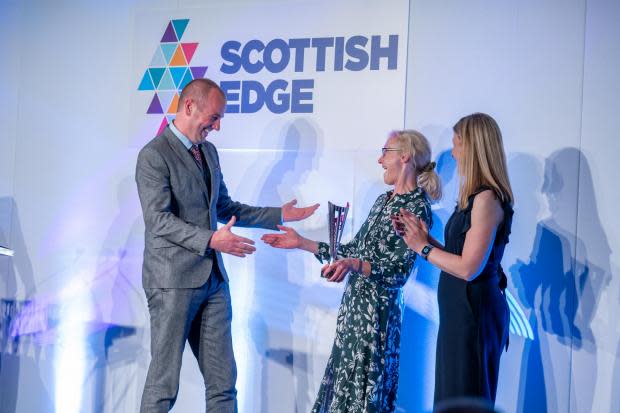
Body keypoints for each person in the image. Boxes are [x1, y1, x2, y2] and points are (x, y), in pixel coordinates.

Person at [135, 78, 319, 412]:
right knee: (164, 385)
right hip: (171, 282)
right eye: (215, 117)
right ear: (190, 106)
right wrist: (210, 239)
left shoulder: (208, 152)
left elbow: (224, 207)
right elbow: (158, 220)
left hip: (213, 283)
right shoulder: (153, 155)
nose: (217, 127)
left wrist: (278, 213)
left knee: (223, 385)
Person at [261, 130, 441, 412]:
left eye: (386, 151)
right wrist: (301, 242)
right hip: (354, 316)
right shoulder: (383, 200)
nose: (380, 159)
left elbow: (398, 273)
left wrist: (355, 264)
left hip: (376, 320)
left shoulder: (417, 207)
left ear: (405, 157)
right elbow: (353, 252)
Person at [396, 113, 513, 406]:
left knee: (465, 399)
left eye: (457, 143)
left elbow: (469, 268)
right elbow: (461, 254)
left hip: (473, 314)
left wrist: (423, 248)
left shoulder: (487, 198)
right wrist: (425, 238)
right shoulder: (474, 198)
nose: (454, 152)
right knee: (452, 398)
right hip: (459, 315)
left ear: (473, 147)